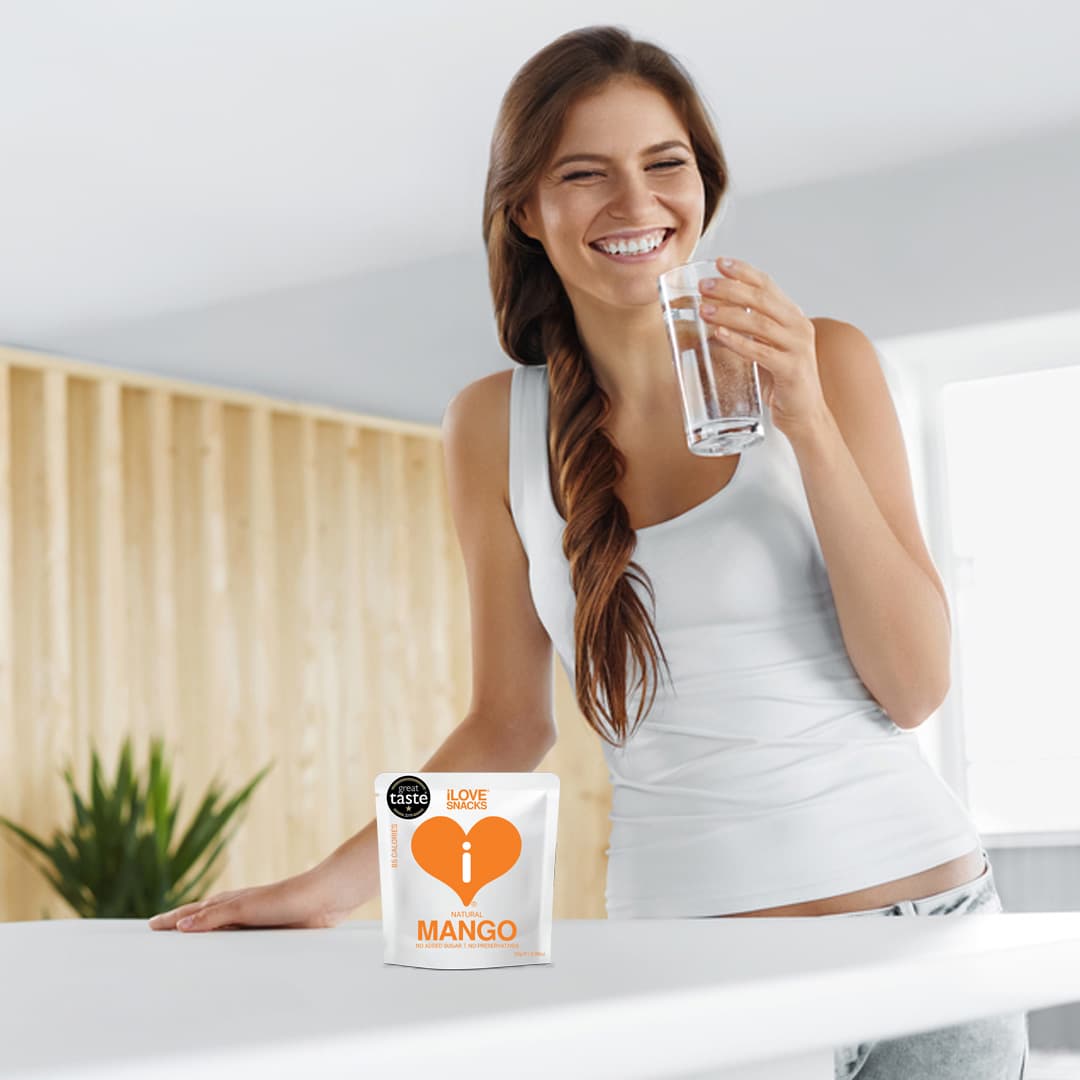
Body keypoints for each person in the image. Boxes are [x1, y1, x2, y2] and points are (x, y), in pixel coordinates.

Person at [147, 23, 1028, 1079]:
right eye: (585, 173)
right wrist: (333, 885)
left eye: (666, 165)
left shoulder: (822, 359)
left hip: (931, 925)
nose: (638, 203)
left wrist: (810, 424)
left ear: (704, 183)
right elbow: (508, 725)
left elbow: (915, 686)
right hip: (701, 959)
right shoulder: (491, 426)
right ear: (525, 207)